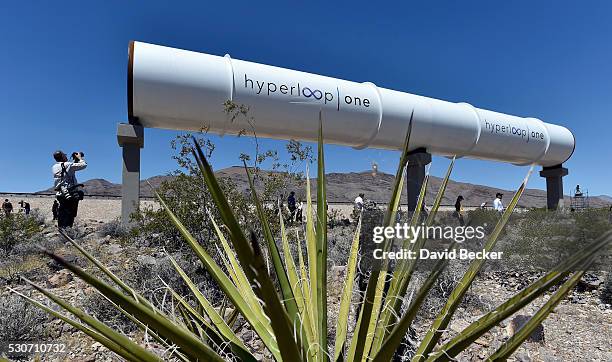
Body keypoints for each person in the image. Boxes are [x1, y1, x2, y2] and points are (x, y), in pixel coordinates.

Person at [52, 150, 87, 228]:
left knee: (62, 211)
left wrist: (74, 160)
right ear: (63, 156)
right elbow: (83, 165)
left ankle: (61, 228)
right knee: (70, 213)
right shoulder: (68, 165)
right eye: (65, 155)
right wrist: (80, 158)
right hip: (70, 193)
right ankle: (67, 230)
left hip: (61, 193)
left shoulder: (54, 166)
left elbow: (67, 168)